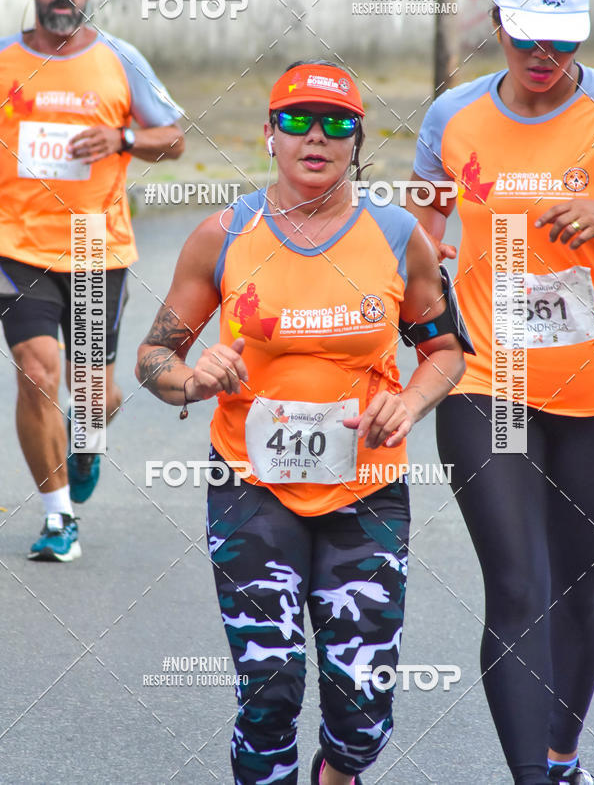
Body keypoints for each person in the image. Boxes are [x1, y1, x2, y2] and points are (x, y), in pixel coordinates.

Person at [136, 61, 467, 785]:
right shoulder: (222, 235)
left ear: (358, 141)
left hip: (366, 489)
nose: (315, 137)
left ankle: (339, 768)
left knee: (362, 713)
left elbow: (445, 351)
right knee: (269, 690)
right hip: (250, 485)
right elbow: (154, 355)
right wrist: (190, 376)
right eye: (296, 121)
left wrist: (408, 403)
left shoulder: (396, 236)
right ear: (269, 136)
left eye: (336, 123)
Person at [409, 0, 594, 785]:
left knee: (585, 597)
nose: (544, 58)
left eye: (562, 44)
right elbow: (419, 226)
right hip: (492, 383)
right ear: (500, 27)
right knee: (521, 586)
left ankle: (561, 756)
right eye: (528, 40)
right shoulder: (453, 115)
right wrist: (422, 282)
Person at [0, 0, 185, 561]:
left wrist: (123, 137)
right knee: (35, 371)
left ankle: (84, 440)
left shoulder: (120, 59)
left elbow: (174, 139)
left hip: (93, 247)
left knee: (92, 394)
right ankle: (57, 518)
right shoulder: (3, 60)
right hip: (14, 246)